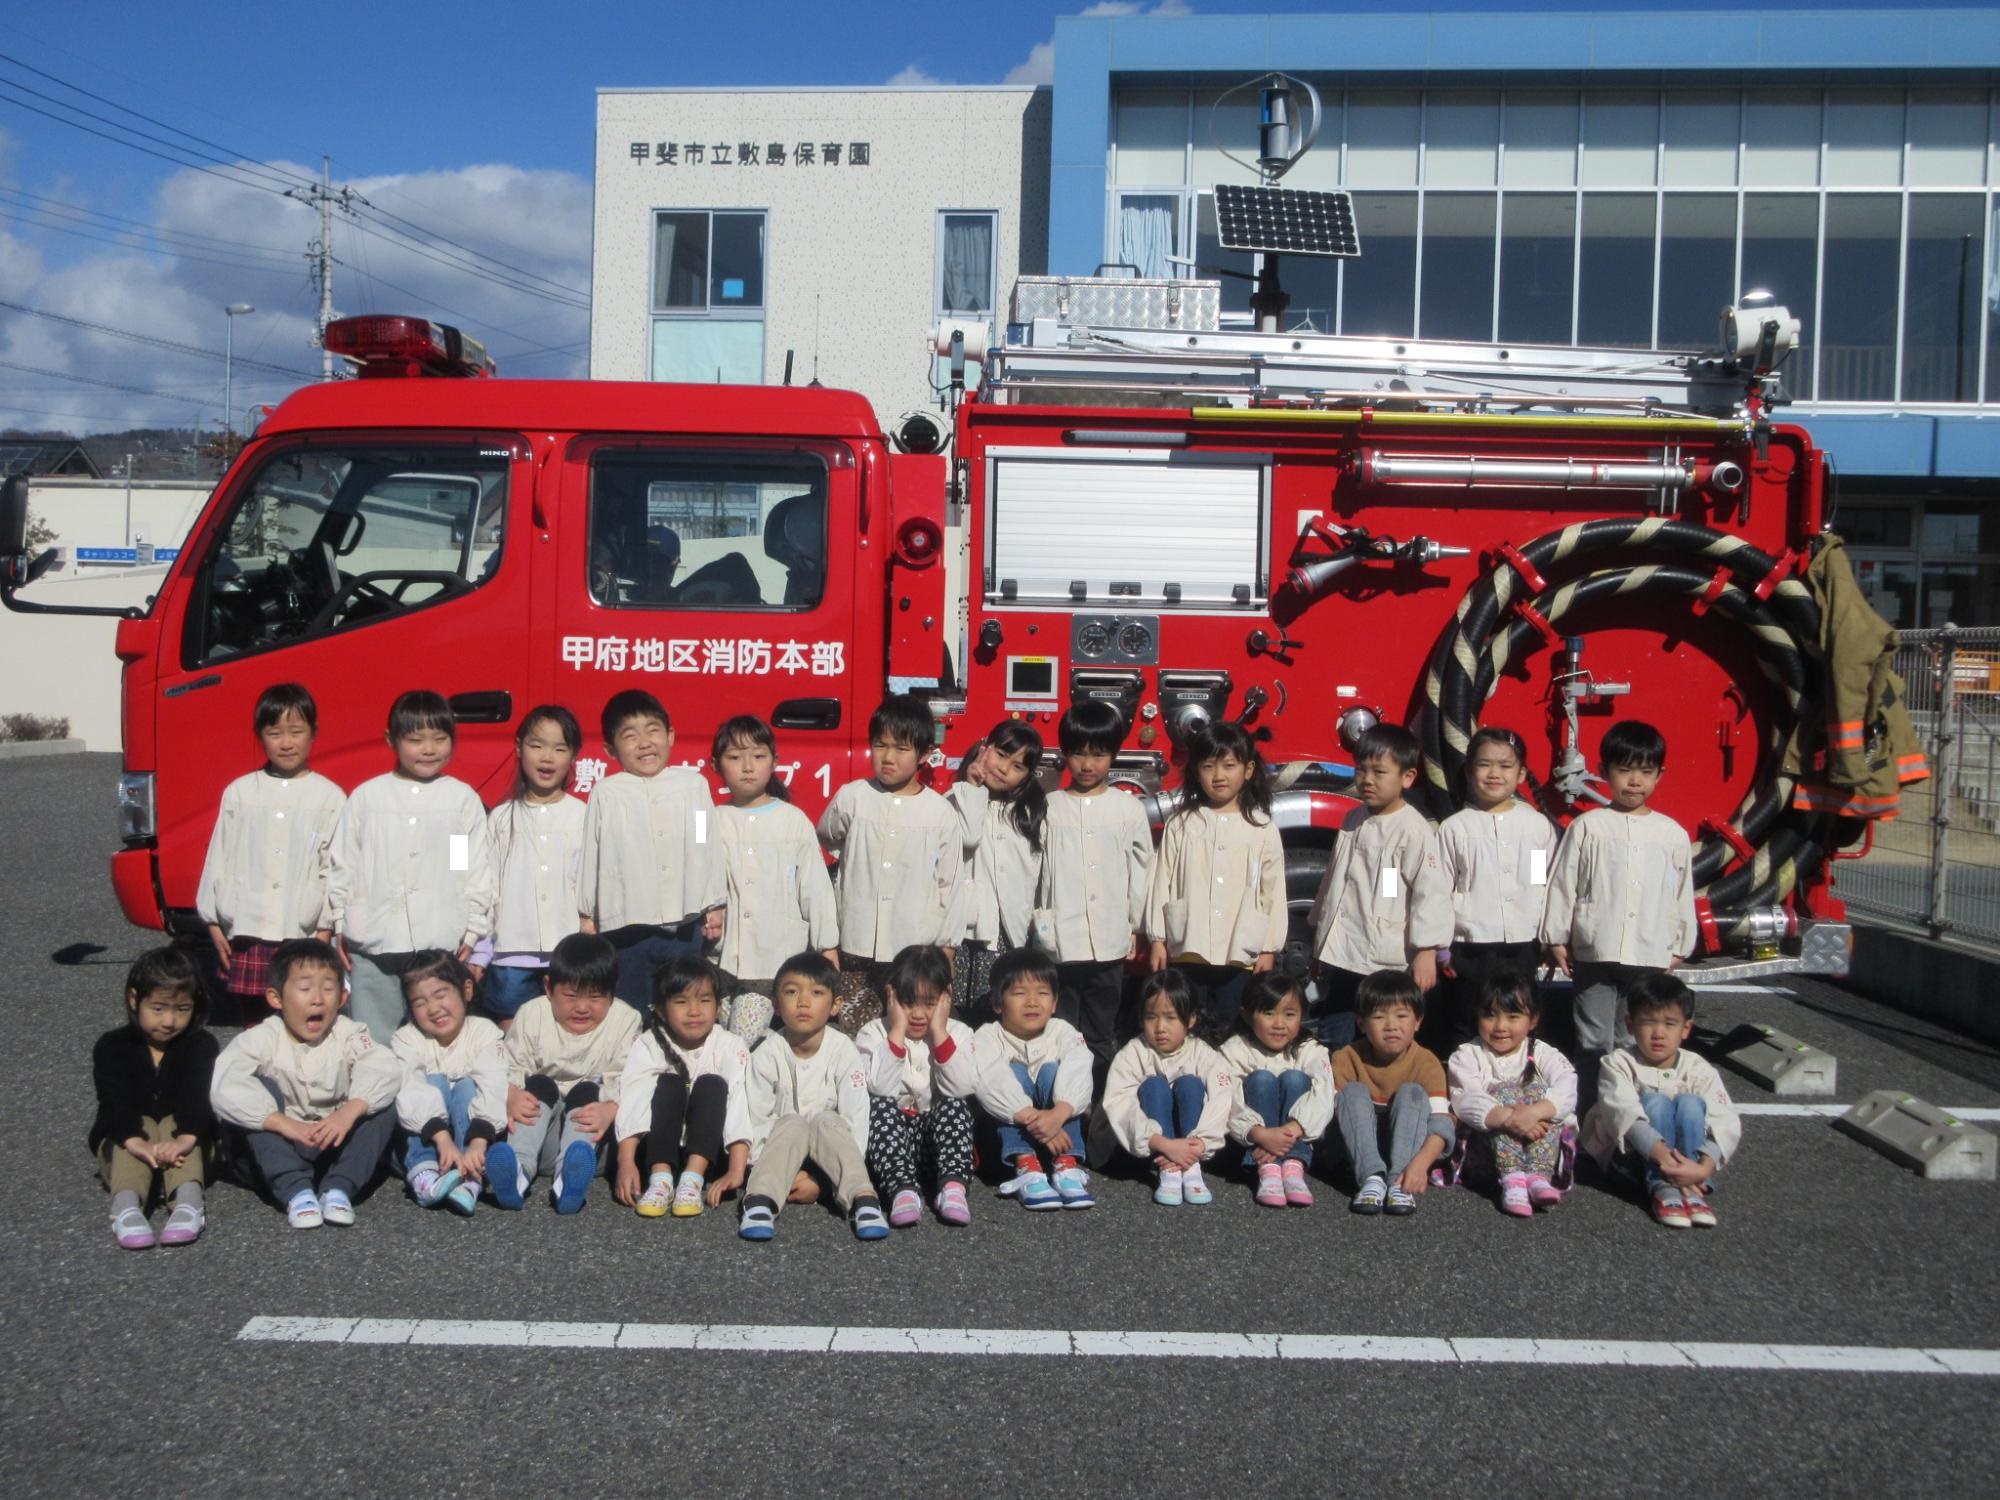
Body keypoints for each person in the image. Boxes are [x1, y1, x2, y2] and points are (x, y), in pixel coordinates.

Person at [327, 690, 496, 1045]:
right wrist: (339, 922)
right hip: (374, 940)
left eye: (440, 738)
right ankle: (378, 1100)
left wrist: (471, 930)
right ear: (391, 740)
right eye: (416, 740)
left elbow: (465, 868)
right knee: (375, 1037)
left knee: (435, 1036)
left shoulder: (459, 800)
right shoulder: (368, 798)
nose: (429, 749)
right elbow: (345, 864)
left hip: (438, 939)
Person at [1540, 720, 1698, 1099]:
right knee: (1593, 1039)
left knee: (1635, 1037)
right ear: (1604, 771)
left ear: (1661, 774)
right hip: (1597, 950)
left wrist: (1680, 945)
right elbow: (1564, 883)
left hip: (1648, 951)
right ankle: (1591, 1114)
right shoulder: (1588, 826)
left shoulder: (1671, 834)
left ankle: (1630, 1112)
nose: (1634, 782)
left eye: (1645, 772)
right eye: (1624, 770)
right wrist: (1556, 936)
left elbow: (1682, 893)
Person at [209, 937, 402, 1229]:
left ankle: (339, 1188)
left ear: (342, 998)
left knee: (381, 1103)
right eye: (304, 988)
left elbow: (382, 1065)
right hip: (276, 1149)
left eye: (328, 988)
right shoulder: (263, 1036)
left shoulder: (349, 1032)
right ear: (276, 998)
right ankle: (295, 1191)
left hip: (332, 1139)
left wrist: (350, 1111)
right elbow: (226, 1083)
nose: (317, 998)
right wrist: (281, 1123)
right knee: (255, 1093)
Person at [816, 694, 969, 1035]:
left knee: (911, 1033)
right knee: (855, 1032)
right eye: (880, 745)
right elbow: (828, 835)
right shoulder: (854, 796)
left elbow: (951, 884)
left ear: (925, 753)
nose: (888, 757)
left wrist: (946, 950)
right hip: (855, 944)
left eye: (901, 749)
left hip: (913, 947)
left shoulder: (939, 813)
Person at [196, 682, 345, 1025]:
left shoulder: (330, 797)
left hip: (301, 928)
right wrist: (213, 921)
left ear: (313, 733)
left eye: (296, 731)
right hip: (249, 926)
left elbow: (334, 867)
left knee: (305, 1019)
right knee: (255, 1024)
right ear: (259, 735)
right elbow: (219, 856)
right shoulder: (241, 792)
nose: (287, 743)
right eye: (275, 732)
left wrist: (325, 928)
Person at [579, 689, 727, 1012]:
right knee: (631, 1009)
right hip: (627, 929)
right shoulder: (607, 793)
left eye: (653, 730)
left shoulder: (693, 786)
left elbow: (707, 843)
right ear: (610, 749)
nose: (644, 743)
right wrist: (586, 912)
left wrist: (714, 902)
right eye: (630, 736)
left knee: (681, 1006)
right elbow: (592, 851)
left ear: (671, 736)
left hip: (684, 925)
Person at [1308, 721, 1452, 1051]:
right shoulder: (1352, 820)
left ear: (1407, 777)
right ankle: (1333, 1087)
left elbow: (1429, 894)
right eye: (1361, 770)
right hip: (1345, 950)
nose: (1367, 780)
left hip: (1386, 955)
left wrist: (1427, 950)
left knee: (1383, 1029)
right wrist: (1320, 939)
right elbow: (1332, 881)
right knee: (1337, 1028)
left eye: (1379, 772)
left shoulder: (1412, 830)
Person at [1145, 720, 1288, 1040]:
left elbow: (1273, 892)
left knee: (1229, 1026)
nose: (1219, 776)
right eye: (1209, 766)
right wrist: (1157, 937)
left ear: (1248, 770)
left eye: (1229, 765)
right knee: (1186, 1023)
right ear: (1196, 770)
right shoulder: (1182, 824)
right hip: (1188, 946)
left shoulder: (1262, 828)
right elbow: (1161, 880)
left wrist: (1268, 948)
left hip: (1239, 950)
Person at [1034, 700, 1152, 1086]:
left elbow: (1141, 870)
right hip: (1060, 944)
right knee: (1062, 1030)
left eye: (1098, 755)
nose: (1088, 765)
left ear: (1113, 755)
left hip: (1108, 942)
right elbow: (1035, 871)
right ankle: (1064, 1099)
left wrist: (1136, 925)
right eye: (1079, 753)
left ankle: (1098, 1102)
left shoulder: (1127, 808)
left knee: (1101, 1030)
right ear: (1064, 754)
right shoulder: (1050, 807)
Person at [485, 932, 642, 1214]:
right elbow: (509, 1063)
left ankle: (568, 1181)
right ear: (548, 987)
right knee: (538, 1084)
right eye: (570, 996)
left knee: (589, 1090)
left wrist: (611, 1109)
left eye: (595, 997)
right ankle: (517, 1172)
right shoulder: (532, 1013)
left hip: (592, 1142)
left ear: (612, 991)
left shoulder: (626, 1019)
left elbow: (627, 1077)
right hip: (538, 1137)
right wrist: (511, 1093)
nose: (582, 1007)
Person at [738, 951, 890, 1242]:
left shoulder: (844, 1050)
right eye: (792, 992)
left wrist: (819, 1181)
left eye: (817, 993)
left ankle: (863, 1199)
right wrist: (775, 1172)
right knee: (792, 1122)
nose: (804, 1002)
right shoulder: (767, 1052)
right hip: (777, 1153)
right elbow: (756, 1117)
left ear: (836, 1005)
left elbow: (856, 1118)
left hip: (832, 1153)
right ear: (776, 1005)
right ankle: (759, 1201)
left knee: (827, 1120)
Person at [709, 714, 837, 1042]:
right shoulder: (706, 817)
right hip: (718, 957)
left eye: (758, 756)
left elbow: (815, 888)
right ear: (716, 764)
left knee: (741, 1040)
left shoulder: (793, 820)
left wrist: (827, 946)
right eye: (735, 758)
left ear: (775, 761)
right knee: (718, 1037)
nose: (747, 767)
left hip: (773, 958)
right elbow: (693, 871)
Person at [1435, 726, 1559, 1054]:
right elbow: (1441, 890)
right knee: (1467, 1019)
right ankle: (1460, 1090)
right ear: (1469, 770)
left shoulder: (1535, 827)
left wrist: (1547, 938)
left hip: (1521, 944)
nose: (1494, 774)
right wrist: (1441, 947)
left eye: (1505, 766)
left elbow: (1539, 882)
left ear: (1521, 774)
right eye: (1485, 764)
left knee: (1519, 1017)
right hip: (1469, 946)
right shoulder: (1455, 828)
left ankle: (1522, 1084)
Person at [1582, 973, 1739, 1229]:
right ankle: (1665, 1187)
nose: (1658, 1033)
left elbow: (1725, 1118)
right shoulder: (1618, 1063)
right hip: (1629, 1161)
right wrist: (1666, 1162)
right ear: (1630, 1025)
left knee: (1689, 1102)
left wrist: (1704, 1167)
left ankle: (1692, 1184)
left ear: (1686, 1028)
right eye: (1648, 1022)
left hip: (1690, 1164)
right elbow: (1624, 1115)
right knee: (1655, 1101)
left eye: (1670, 1023)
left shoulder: (1698, 1067)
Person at [91, 947, 219, 1249]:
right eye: (158, 1008)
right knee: (143, 1123)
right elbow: (114, 1102)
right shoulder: (112, 1046)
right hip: (129, 1139)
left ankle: (188, 1201)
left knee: (175, 1121)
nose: (169, 1021)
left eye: (182, 1009)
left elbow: (198, 1098)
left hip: (187, 1139)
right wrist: (136, 1141)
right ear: (134, 1000)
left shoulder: (201, 1044)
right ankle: (126, 1205)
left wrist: (185, 1138)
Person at [612, 955, 752, 1219]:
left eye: (704, 1000)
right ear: (662, 1011)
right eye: (681, 1002)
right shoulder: (648, 1043)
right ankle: (661, 1180)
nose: (694, 1011)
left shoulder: (731, 1045)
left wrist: (736, 1169)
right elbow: (634, 1097)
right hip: (657, 1148)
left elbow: (739, 1102)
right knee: (670, 1083)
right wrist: (626, 1162)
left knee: (713, 1083)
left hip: (709, 1152)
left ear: (719, 1007)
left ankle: (692, 1179)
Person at [854, 944, 981, 1227]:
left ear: (946, 996)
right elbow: (879, 1088)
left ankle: (953, 1188)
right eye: (909, 1002)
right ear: (892, 995)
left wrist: (939, 1032)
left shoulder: (959, 1033)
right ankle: (903, 1191)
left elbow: (962, 1087)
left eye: (930, 1003)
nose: (919, 1013)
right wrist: (897, 1032)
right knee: (878, 1105)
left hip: (937, 1147)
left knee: (954, 1102)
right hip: (891, 1147)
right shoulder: (874, 1032)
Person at [478, 705, 586, 1028]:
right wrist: (480, 947)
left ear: (573, 755)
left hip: (568, 953)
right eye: (536, 745)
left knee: (567, 1032)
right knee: (512, 1037)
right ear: (518, 747)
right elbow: (485, 886)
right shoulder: (498, 818)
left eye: (559, 748)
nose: (547, 757)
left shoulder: (583, 815)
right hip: (512, 952)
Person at [971, 948, 1096, 1211]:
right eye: (1019, 993)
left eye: (1042, 993)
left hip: (1059, 1132)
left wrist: (1059, 1114)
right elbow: (989, 1079)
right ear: (997, 1003)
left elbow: (1080, 1066)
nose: (1031, 1002)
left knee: (1053, 1070)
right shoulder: (987, 1036)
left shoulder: (1062, 1031)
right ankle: (1026, 1166)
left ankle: (1066, 1165)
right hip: (1006, 1142)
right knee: (1012, 1072)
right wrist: (1034, 1119)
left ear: (1054, 1003)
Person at [1445, 971, 1578, 1217]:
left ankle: (1538, 1176)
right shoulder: (1466, 1055)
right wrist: (1509, 1117)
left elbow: (1568, 1085)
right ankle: (1513, 1179)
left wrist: (1535, 1112)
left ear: (1533, 1020)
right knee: (1503, 1089)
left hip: (1540, 1146)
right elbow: (1466, 1098)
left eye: (1513, 1016)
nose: (1500, 1026)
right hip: (1486, 1155)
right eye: (1490, 1015)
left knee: (1539, 1091)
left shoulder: (1543, 1052)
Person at [1101, 969, 1237, 1207]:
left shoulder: (1203, 1053)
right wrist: (1160, 1143)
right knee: (1154, 1085)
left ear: (1191, 1019)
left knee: (1190, 1083)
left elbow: (1223, 1098)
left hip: (1194, 1146)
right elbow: (1119, 1102)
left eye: (1171, 1018)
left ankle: (1191, 1167)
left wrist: (1201, 1144)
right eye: (1151, 1017)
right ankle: (1169, 1169)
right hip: (1151, 1147)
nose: (1160, 1027)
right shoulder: (1133, 1053)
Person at [392, 949, 508, 1218]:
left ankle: (470, 1176)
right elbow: (411, 1090)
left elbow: (494, 1084)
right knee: (433, 1083)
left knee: (469, 1086)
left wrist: (478, 1143)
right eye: (419, 1002)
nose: (433, 1008)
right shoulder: (406, 1039)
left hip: (472, 1140)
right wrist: (442, 1139)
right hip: (426, 1142)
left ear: (466, 990)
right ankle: (424, 1173)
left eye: (441, 994)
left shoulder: (485, 1033)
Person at [1330, 970, 1454, 1216]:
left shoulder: (1426, 1062)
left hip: (1409, 1149)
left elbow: (1441, 1123)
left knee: (1413, 1092)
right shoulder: (1345, 1057)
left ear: (1417, 1021)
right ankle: (1373, 1178)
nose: (1391, 1026)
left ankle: (1399, 1182)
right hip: (1358, 1149)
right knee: (1352, 1092)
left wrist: (1420, 1166)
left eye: (1401, 1016)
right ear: (1361, 1023)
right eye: (1379, 1017)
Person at [947, 720, 1047, 1013]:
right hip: (962, 932)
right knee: (955, 1013)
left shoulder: (1029, 813)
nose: (1004, 769)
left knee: (997, 1010)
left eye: (1018, 767)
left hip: (1006, 932)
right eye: (1001, 755)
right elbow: (969, 835)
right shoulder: (954, 799)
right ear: (984, 748)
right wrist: (973, 788)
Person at [1220, 970, 1336, 1209]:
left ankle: (1294, 1166)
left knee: (1294, 1078)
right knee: (1262, 1079)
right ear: (1247, 1015)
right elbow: (1226, 1098)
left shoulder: (1309, 1048)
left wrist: (1295, 1128)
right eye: (1269, 1013)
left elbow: (1325, 1091)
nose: (1279, 1024)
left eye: (1289, 1014)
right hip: (1254, 1140)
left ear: (1302, 1015)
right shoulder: (1234, 1050)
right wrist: (1258, 1133)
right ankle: (1269, 1168)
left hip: (1296, 1136)